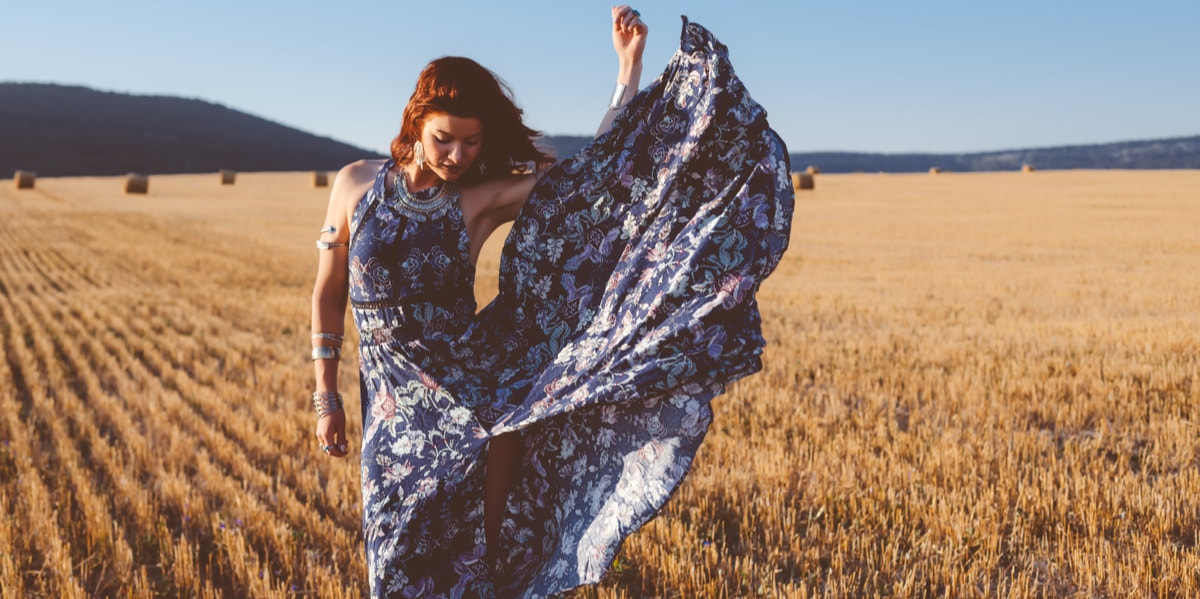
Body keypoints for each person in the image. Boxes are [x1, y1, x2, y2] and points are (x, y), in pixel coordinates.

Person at [310, 7, 794, 598]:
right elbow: (328, 291)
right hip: (388, 406)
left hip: (467, 400)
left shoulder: (478, 200)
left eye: (472, 142)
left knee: (472, 558)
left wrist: (627, 72)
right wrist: (325, 394)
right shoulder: (354, 183)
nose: (456, 155)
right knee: (393, 552)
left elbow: (597, 179)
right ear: (415, 120)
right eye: (443, 138)